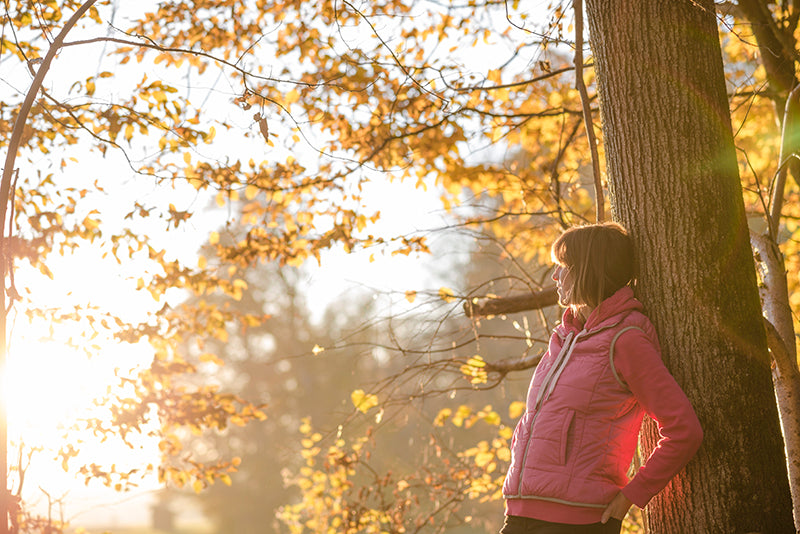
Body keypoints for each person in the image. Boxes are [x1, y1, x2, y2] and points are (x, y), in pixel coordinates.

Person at [500, 222, 703, 534]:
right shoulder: (563, 339)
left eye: (562, 266)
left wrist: (630, 497)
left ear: (588, 270)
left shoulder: (626, 339)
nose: (555, 276)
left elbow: (684, 430)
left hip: (577, 523)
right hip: (519, 514)